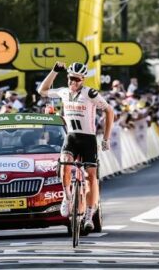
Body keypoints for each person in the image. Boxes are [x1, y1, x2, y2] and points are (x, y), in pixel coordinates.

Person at [37, 61, 114, 233]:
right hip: (71, 137)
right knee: (64, 163)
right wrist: (54, 70)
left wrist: (106, 138)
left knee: (90, 177)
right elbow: (41, 91)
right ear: (68, 78)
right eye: (71, 79)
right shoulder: (63, 92)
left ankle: (88, 215)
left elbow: (109, 111)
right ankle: (67, 196)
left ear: (83, 79)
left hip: (88, 139)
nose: (74, 82)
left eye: (78, 80)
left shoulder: (90, 94)